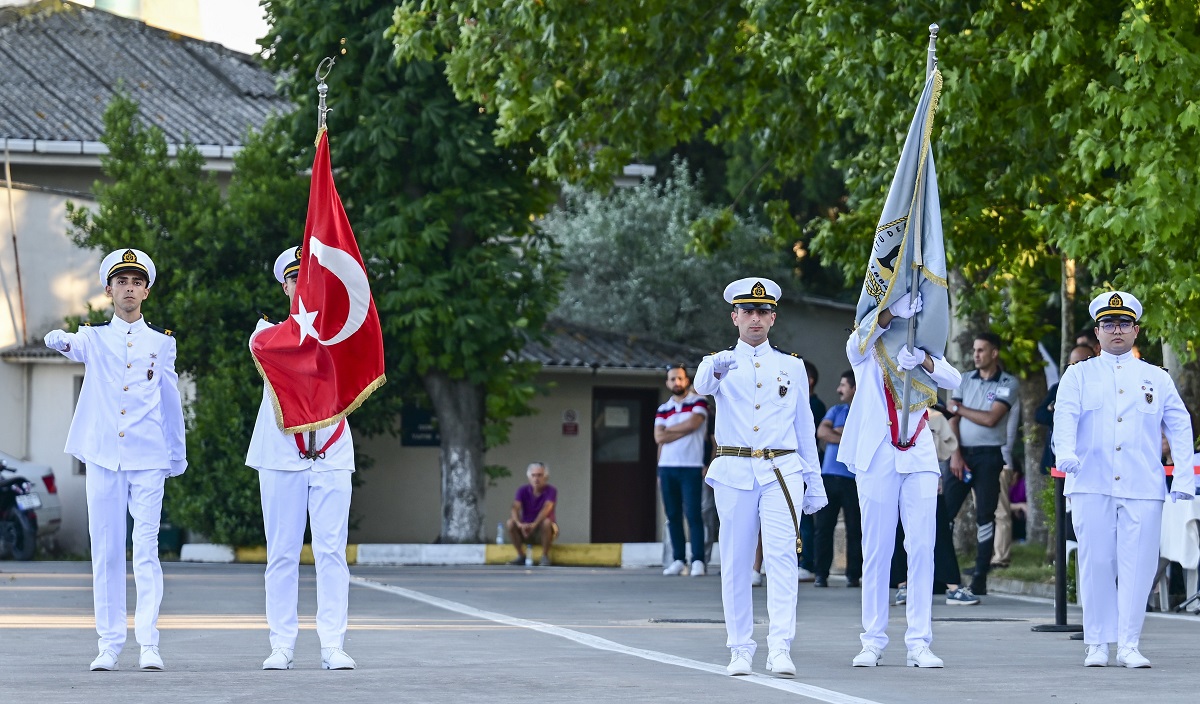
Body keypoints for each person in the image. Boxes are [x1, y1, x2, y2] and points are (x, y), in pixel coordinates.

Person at [44, 248, 187, 672]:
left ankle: (149, 644)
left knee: (145, 551)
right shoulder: (93, 337)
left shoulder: (162, 342)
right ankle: (108, 644)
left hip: (147, 458)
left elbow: (169, 400)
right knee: (106, 551)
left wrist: (175, 456)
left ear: (146, 291)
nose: (128, 288)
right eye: (121, 282)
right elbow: (71, 344)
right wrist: (59, 339)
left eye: (136, 282)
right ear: (108, 290)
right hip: (105, 457)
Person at [1053, 290, 1195, 668]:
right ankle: (1097, 643)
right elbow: (1064, 417)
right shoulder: (1078, 374)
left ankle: (1129, 643)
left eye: (1124, 323)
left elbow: (1180, 426)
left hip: (1142, 483)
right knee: (1097, 561)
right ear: (1097, 331)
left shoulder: (1156, 378)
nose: (1117, 330)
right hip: (1090, 480)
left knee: (1139, 566)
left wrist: (1182, 477)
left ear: (1136, 330)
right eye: (1109, 324)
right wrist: (1065, 452)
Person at [694, 277, 825, 679]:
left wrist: (814, 482)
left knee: (782, 559)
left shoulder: (792, 366)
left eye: (763, 311)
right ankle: (740, 648)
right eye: (748, 311)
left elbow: (805, 427)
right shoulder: (717, 362)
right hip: (734, 470)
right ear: (734, 316)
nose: (756, 317)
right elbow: (701, 387)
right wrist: (714, 367)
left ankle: (780, 646)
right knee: (735, 562)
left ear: (772, 317)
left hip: (781, 471)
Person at [247, 246, 357, 671]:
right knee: (282, 553)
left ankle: (333, 645)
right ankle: (282, 644)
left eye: (310, 279)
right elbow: (281, 347)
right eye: (295, 279)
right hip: (281, 455)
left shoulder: (342, 333)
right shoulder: (266, 333)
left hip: (331, 452)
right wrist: (310, 321)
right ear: (284, 286)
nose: (302, 286)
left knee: (331, 552)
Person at [839, 292, 962, 669]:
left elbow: (953, 378)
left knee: (922, 546)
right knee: (876, 548)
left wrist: (924, 360)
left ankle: (919, 642)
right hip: (877, 453)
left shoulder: (917, 347)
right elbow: (853, 345)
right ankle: (872, 640)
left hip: (918, 451)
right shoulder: (868, 349)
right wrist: (890, 312)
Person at [943, 331, 1020, 596]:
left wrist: (959, 409)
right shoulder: (963, 379)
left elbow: (991, 419)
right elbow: (951, 419)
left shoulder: (1008, 383)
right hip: (960, 454)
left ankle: (979, 576)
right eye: (975, 350)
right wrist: (955, 453)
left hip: (989, 456)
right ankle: (943, 574)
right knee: (943, 514)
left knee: (985, 517)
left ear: (994, 353)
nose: (976, 355)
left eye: (981, 350)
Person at [893, 407, 979, 607]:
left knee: (934, 529)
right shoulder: (931, 415)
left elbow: (946, 448)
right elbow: (946, 448)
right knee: (903, 530)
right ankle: (908, 586)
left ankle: (947, 586)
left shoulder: (933, 416)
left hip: (921, 477)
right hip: (905, 476)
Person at [655, 365, 710, 577]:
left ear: (686, 381)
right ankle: (679, 559)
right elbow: (658, 438)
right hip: (667, 467)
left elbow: (695, 423)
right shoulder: (663, 408)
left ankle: (698, 560)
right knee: (673, 515)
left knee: (694, 515)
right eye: (672, 379)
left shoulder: (698, 401)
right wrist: (682, 429)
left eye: (680, 378)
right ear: (667, 383)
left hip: (692, 466)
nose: (676, 382)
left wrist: (668, 430)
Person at [813, 370, 862, 588]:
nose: (838, 389)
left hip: (853, 479)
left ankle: (854, 575)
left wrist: (839, 432)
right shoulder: (836, 409)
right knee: (823, 527)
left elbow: (862, 438)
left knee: (855, 528)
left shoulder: (864, 412)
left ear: (854, 388)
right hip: (828, 477)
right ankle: (820, 573)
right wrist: (846, 437)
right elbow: (821, 433)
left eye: (843, 385)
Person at [506, 462, 558, 566]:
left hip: (542, 530)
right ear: (529, 477)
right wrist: (519, 524)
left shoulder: (551, 490)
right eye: (533, 475)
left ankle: (544, 556)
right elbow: (515, 507)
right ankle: (521, 555)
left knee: (547, 522)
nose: (536, 479)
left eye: (539, 475)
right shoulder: (522, 490)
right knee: (510, 523)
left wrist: (534, 524)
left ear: (545, 477)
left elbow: (547, 508)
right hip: (526, 528)